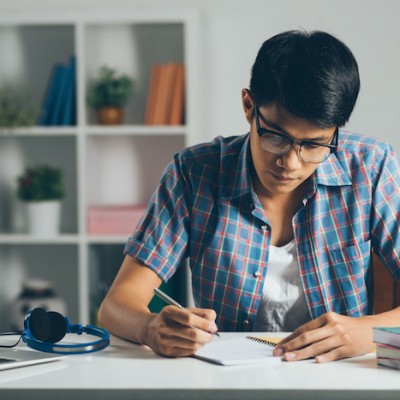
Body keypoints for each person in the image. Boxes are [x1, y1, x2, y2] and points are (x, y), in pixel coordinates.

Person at [98, 30, 400, 363]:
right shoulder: (194, 173)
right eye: (275, 137)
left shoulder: (372, 167)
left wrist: (368, 331)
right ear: (248, 107)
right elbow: (116, 305)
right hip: (227, 380)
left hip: (338, 378)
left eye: (313, 145)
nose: (290, 162)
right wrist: (151, 328)